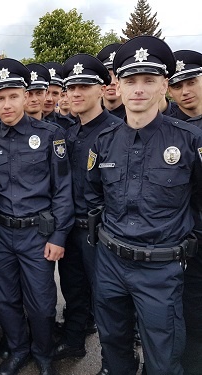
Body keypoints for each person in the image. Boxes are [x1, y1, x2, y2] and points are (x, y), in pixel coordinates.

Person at [85, 35, 202, 375]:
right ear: (117, 86)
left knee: (164, 358)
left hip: (161, 268)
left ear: (164, 84)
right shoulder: (103, 142)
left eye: (149, 80)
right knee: (114, 345)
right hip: (110, 264)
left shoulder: (190, 141)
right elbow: (94, 193)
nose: (138, 89)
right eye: (130, 80)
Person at [0, 58, 74, 375]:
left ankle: (43, 352)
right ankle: (18, 349)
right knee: (5, 299)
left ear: (25, 95)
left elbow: (63, 190)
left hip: (37, 235)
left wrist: (59, 236)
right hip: (1, 235)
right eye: (0, 98)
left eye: (12, 96)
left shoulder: (50, 135)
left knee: (42, 301)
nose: (6, 105)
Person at [56, 54, 122, 375]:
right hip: (72, 228)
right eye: (71, 87)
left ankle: (113, 363)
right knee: (73, 289)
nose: (76, 93)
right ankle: (73, 340)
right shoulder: (70, 132)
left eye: (84, 86)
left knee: (108, 301)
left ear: (101, 89)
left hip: (101, 231)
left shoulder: (117, 131)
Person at [167, 49, 202, 374]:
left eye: (190, 81)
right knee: (189, 317)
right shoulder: (171, 130)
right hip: (188, 239)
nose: (185, 91)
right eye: (177, 86)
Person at [42, 62, 75, 130]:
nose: (49, 99)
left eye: (55, 93)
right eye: (46, 93)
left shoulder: (68, 125)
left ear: (60, 95)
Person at [97, 43, 126, 119]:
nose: (112, 82)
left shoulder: (134, 119)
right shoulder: (90, 117)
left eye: (116, 76)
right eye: (108, 76)